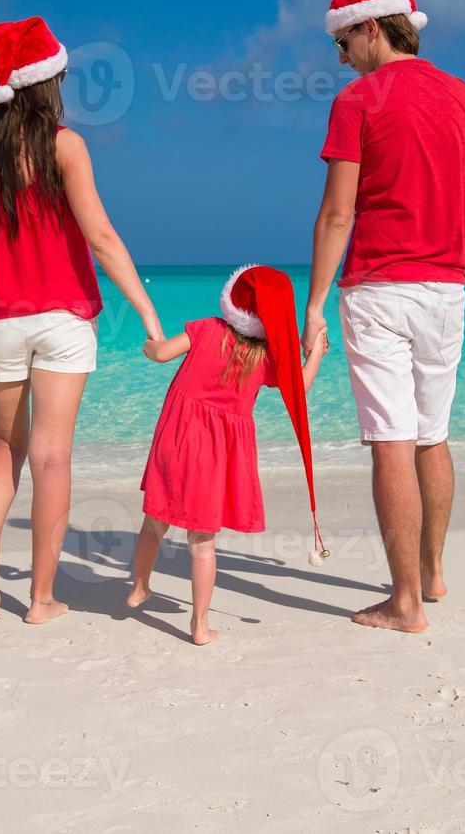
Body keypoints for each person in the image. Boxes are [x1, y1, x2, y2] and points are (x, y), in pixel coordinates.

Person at [303, 0, 465, 634]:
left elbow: (337, 215)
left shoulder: (359, 103)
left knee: (391, 440)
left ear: (371, 28)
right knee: (433, 434)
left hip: (377, 290)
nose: (340, 59)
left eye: (342, 44)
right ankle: (433, 572)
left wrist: (312, 304)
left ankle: (404, 604)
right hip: (448, 290)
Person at [0, 16, 163, 624]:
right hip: (63, 317)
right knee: (52, 457)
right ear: (47, 80)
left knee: (5, 443)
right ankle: (42, 599)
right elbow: (100, 237)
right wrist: (151, 319)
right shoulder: (64, 145)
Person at [127, 265, 328, 645]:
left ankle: (139, 586)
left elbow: (162, 353)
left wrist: (150, 345)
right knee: (202, 544)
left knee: (155, 521)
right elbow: (298, 388)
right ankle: (199, 626)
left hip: (176, 441)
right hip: (217, 459)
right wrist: (315, 352)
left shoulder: (205, 328)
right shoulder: (265, 358)